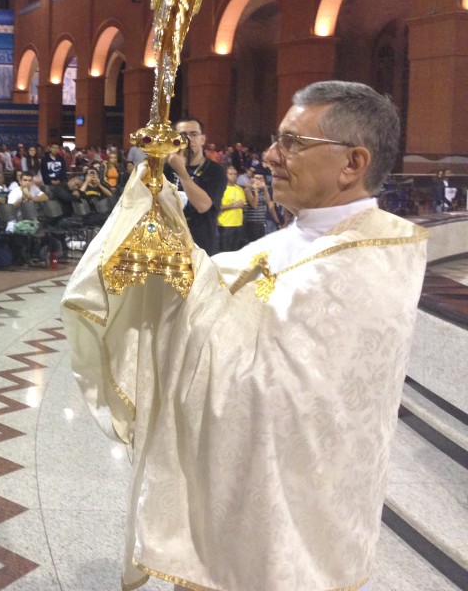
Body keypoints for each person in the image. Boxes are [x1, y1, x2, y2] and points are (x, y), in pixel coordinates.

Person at [63, 81, 428, 591]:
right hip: (233, 490)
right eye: (279, 140)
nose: (272, 155)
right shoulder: (299, 235)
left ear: (353, 162)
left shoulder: (372, 260)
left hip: (290, 515)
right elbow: (217, 288)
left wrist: (180, 265)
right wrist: (158, 226)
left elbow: (268, 384)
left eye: (293, 143)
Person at [165, 116, 227, 254]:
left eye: (194, 134)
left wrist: (181, 171)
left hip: (201, 247)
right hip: (169, 244)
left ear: (202, 139)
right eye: (182, 135)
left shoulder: (215, 171)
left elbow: (203, 206)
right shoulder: (166, 168)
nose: (188, 140)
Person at [217, 165, 247, 252]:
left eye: (235, 174)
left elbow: (243, 205)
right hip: (225, 224)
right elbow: (217, 207)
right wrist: (232, 206)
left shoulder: (240, 189)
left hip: (238, 224)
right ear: (225, 175)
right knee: (225, 250)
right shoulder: (221, 189)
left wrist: (242, 205)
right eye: (231, 174)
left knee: (235, 250)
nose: (233, 176)